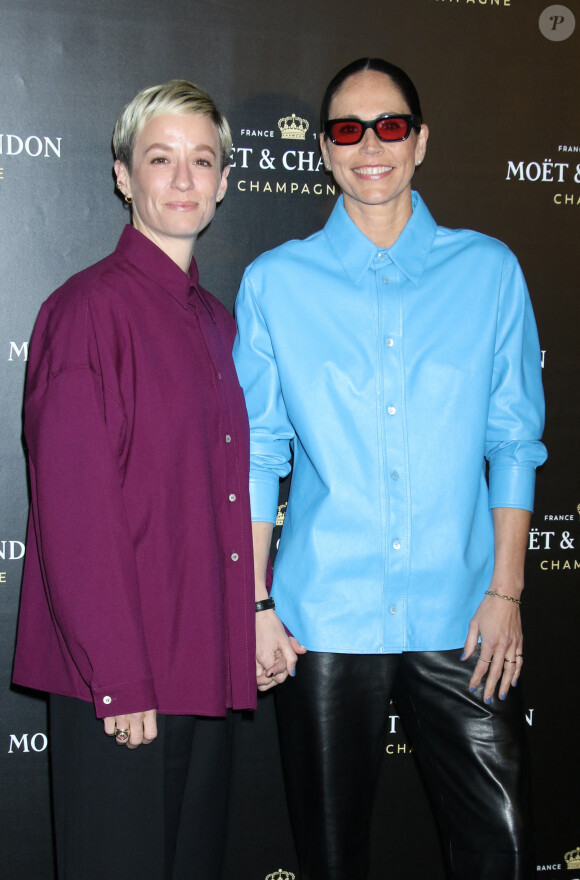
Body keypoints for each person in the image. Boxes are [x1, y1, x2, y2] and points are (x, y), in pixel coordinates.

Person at [233, 58, 546, 880]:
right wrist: (256, 600)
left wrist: (506, 593)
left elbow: (514, 442)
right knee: (331, 856)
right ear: (327, 154)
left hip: (464, 612)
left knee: (500, 845)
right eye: (347, 129)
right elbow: (260, 451)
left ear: (420, 141)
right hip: (323, 617)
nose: (371, 145)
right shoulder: (275, 284)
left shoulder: (489, 272)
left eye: (391, 125)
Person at [13, 80, 256, 880]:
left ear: (225, 181)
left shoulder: (218, 323)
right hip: (120, 686)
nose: (183, 181)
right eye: (161, 159)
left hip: (204, 675)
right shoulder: (86, 312)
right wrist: (119, 680)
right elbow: (77, 516)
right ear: (124, 175)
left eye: (202, 161)